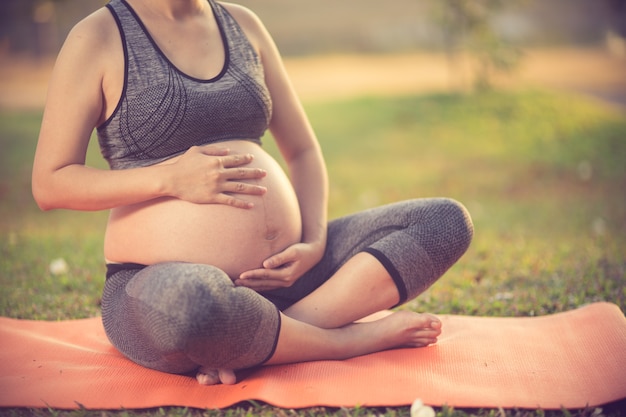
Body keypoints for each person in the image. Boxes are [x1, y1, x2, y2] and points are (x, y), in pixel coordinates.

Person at [32, 0, 474, 386]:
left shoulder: (243, 24)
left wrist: (314, 243)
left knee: (444, 222)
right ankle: (343, 341)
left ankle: (265, 335)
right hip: (158, 281)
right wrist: (168, 178)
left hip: (289, 276)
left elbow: (301, 151)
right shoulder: (97, 36)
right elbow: (51, 182)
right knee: (194, 307)